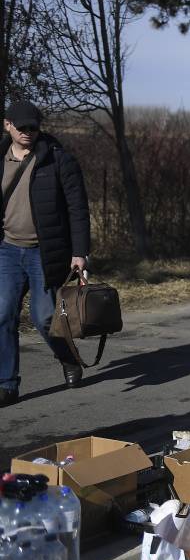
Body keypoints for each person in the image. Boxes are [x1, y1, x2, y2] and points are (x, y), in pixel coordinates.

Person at [1, 101, 90, 406]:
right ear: (7, 125)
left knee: (44, 316)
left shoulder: (58, 159)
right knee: (2, 314)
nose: (28, 132)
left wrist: (79, 253)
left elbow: (78, 208)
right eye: (22, 126)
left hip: (44, 252)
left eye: (33, 127)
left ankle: (69, 359)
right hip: (7, 250)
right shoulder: (0, 159)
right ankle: (7, 385)